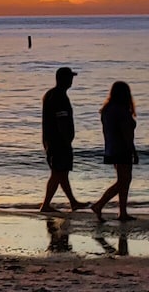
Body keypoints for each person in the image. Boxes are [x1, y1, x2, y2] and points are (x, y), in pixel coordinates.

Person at [89, 81, 139, 222]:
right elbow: (126, 134)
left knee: (123, 180)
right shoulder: (121, 110)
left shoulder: (108, 109)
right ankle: (99, 205)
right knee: (124, 180)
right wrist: (133, 151)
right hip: (122, 148)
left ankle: (122, 212)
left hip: (112, 148)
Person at [39, 67, 85, 213]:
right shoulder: (59, 97)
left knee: (61, 173)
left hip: (51, 141)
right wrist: (66, 139)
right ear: (64, 79)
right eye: (70, 77)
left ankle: (72, 202)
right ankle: (46, 205)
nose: (72, 80)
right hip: (59, 142)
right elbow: (62, 120)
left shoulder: (50, 94)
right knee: (58, 172)